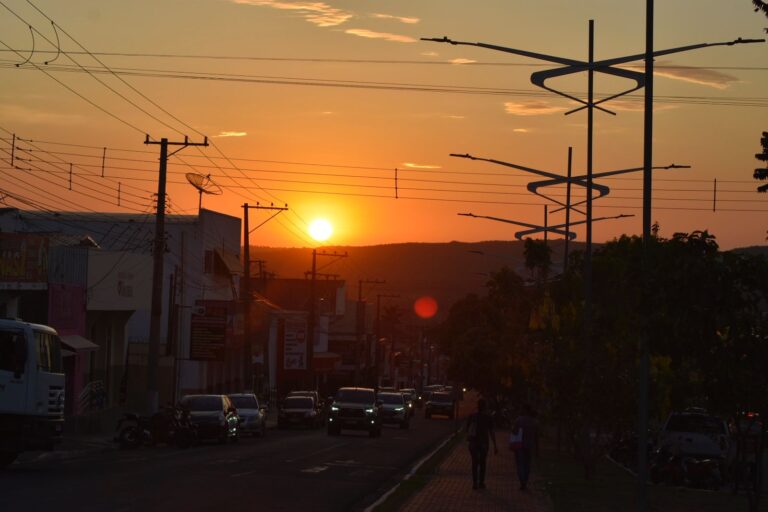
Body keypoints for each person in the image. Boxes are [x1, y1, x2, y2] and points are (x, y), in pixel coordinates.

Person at [466, 398, 498, 490]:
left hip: (473, 443)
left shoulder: (472, 416)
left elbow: (467, 429)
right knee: (483, 463)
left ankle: (475, 482)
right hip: (483, 443)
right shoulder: (488, 417)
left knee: (474, 463)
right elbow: (491, 432)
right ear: (485, 407)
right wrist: (495, 445)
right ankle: (481, 482)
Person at [510, 403, 538, 491]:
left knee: (520, 464)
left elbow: (514, 431)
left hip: (520, 445)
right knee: (527, 464)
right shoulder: (534, 421)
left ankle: (522, 482)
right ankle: (525, 481)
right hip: (529, 445)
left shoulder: (519, 420)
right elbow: (536, 435)